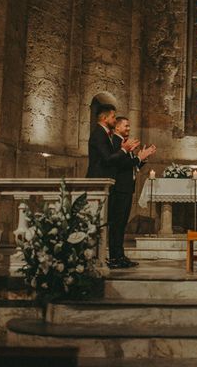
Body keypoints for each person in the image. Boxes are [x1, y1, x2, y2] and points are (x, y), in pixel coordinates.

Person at [86, 104, 140, 268]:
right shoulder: (99, 135)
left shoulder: (106, 135)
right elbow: (109, 159)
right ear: (104, 118)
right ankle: (109, 257)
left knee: (117, 224)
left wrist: (138, 158)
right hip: (104, 183)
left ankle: (115, 256)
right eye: (113, 117)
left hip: (113, 185)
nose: (114, 120)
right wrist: (125, 150)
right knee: (111, 223)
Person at [111, 116, 157, 269]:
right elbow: (120, 164)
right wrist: (138, 157)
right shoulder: (117, 143)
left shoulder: (126, 144)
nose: (129, 129)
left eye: (129, 126)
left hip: (126, 188)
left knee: (121, 224)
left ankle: (120, 255)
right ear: (117, 127)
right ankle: (115, 257)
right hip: (119, 189)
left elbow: (131, 166)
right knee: (117, 224)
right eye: (126, 126)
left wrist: (142, 159)